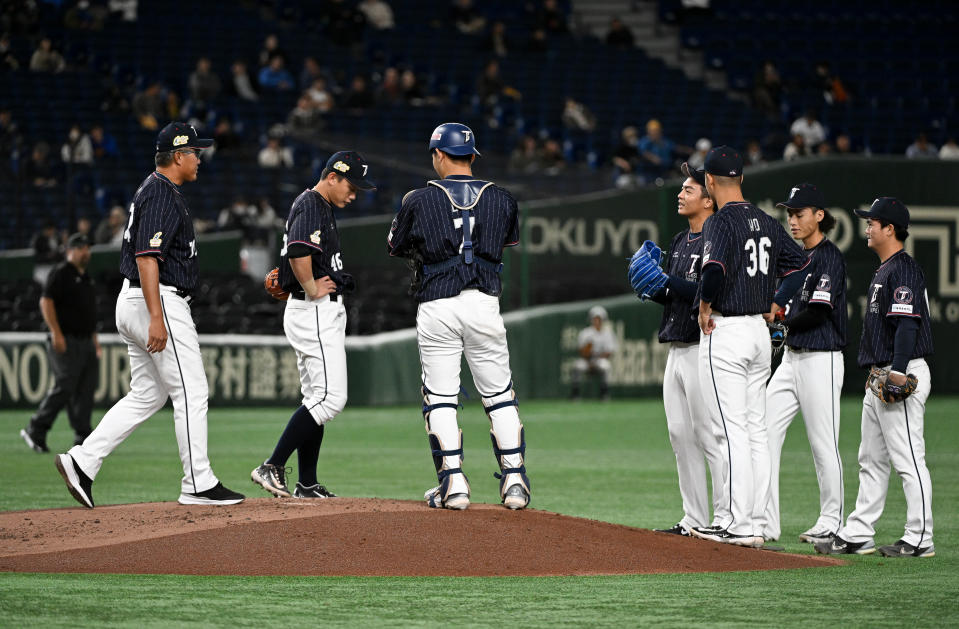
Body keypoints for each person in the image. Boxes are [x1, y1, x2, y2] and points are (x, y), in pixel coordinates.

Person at [55, 122, 245, 508]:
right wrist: (157, 316)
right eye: (195, 152)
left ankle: (83, 460)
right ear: (178, 156)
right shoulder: (160, 192)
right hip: (155, 300)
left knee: (147, 394)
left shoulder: (156, 189)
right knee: (191, 390)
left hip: (137, 300)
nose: (200, 158)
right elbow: (147, 257)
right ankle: (198, 482)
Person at [386, 122, 529, 511]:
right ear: (471, 156)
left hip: (438, 305)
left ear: (438, 155)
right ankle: (515, 483)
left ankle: (454, 486)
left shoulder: (417, 199)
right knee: (499, 396)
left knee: (441, 398)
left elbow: (395, 245)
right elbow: (506, 241)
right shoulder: (502, 198)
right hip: (484, 303)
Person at [689, 146, 808, 547]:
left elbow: (714, 271)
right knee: (755, 430)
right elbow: (799, 264)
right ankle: (756, 522)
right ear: (741, 179)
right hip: (759, 333)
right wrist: (778, 301)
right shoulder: (767, 220)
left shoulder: (720, 223)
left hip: (727, 332)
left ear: (709, 181)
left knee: (732, 429)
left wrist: (704, 307)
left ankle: (739, 523)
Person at [251, 151, 375, 499]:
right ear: (333, 176)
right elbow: (298, 251)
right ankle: (272, 465)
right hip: (314, 308)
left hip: (316, 309)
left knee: (314, 398)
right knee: (330, 398)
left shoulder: (320, 206)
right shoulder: (311, 203)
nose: (354, 194)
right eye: (352, 186)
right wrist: (308, 286)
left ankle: (307, 481)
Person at [816, 198, 935, 558]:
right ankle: (859, 532)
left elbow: (906, 326)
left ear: (890, 229)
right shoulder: (885, 269)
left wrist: (898, 371)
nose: (867, 227)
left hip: (902, 370)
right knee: (870, 458)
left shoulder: (904, 270)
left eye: (873, 222)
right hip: (880, 375)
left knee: (908, 458)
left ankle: (920, 537)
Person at [630, 163, 727, 536]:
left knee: (710, 435)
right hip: (676, 346)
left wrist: (668, 281)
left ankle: (724, 518)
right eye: (682, 188)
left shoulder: (715, 241)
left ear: (708, 200)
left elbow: (709, 291)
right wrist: (654, 289)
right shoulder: (680, 240)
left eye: (689, 189)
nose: (680, 194)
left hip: (705, 348)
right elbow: (675, 296)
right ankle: (695, 519)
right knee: (679, 436)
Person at [763, 184, 847, 544]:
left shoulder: (830, 258)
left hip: (822, 359)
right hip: (792, 359)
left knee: (822, 442)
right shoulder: (796, 259)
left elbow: (818, 311)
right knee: (762, 434)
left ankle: (832, 522)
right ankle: (764, 522)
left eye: (799, 213)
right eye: (790, 213)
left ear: (819, 216)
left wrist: (781, 324)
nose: (792, 219)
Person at [20, 233, 99, 453]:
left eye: (88, 248)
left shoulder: (86, 278)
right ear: (70, 251)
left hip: (85, 341)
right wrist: (56, 333)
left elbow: (88, 314)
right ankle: (36, 427)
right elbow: (45, 301)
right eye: (82, 248)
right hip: (66, 339)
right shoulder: (61, 273)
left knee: (85, 389)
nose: (86, 252)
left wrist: (95, 342)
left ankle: (82, 436)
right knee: (65, 384)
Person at [570, 306, 617, 401]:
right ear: (591, 319)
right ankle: (575, 394)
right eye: (594, 318)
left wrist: (595, 360)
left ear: (603, 320)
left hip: (599, 360)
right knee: (577, 366)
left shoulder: (608, 333)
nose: (596, 321)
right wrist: (587, 353)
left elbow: (609, 352)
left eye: (599, 318)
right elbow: (581, 352)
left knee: (606, 365)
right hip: (587, 361)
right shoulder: (585, 333)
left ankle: (604, 394)